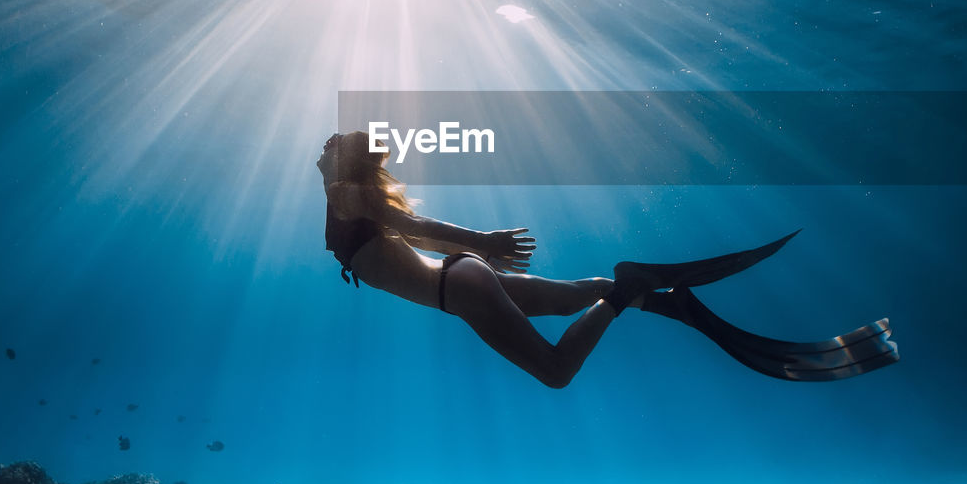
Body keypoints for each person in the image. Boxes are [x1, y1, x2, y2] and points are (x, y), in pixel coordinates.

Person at [319, 131, 899, 388]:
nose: (321, 149)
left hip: (460, 288)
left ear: (346, 161)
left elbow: (413, 226)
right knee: (574, 297)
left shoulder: (346, 196)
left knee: (555, 373)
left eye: (331, 144)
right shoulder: (352, 196)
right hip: (460, 276)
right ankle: (656, 302)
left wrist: (486, 243)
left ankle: (626, 291)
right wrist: (480, 250)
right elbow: (419, 240)